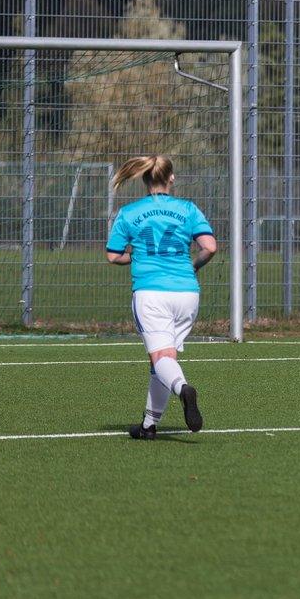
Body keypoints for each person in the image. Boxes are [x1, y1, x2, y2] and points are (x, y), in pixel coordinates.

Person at [106, 155, 217, 438]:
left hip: (151, 292)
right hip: (187, 293)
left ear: (144, 179)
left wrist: (137, 255)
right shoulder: (188, 209)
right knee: (163, 359)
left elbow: (113, 256)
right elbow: (209, 247)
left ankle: (183, 389)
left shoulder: (129, 212)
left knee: (162, 358)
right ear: (171, 178)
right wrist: (191, 266)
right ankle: (148, 425)